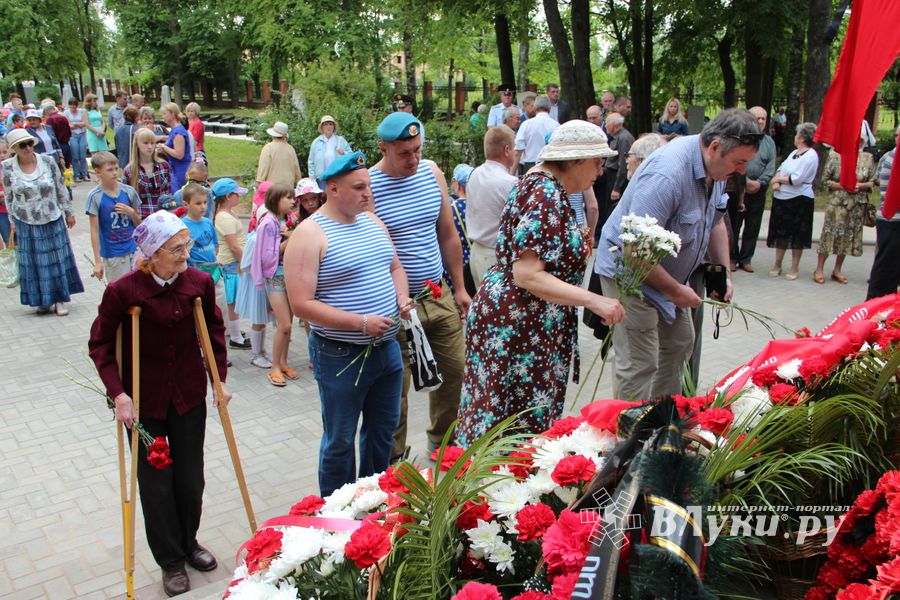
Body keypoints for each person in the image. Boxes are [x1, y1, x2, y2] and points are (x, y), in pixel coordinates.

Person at [88, 210, 229, 597]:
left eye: (187, 246)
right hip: (143, 404)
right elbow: (100, 344)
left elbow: (214, 330)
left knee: (190, 478)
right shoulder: (124, 292)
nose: (187, 255)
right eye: (176, 249)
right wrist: (117, 393)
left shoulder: (198, 284)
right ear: (151, 255)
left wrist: (219, 378)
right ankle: (170, 560)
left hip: (187, 397)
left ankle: (189, 543)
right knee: (156, 486)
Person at [456, 121, 624, 446]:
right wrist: (593, 300)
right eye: (597, 162)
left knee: (510, 425)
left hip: (522, 323)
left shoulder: (544, 186)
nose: (601, 171)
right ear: (575, 160)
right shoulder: (545, 192)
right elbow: (527, 273)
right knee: (513, 432)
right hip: (517, 328)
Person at [595, 108, 760, 400]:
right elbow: (634, 250)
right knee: (640, 361)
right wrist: (675, 291)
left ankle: (661, 424)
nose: (743, 170)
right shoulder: (667, 174)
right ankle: (627, 438)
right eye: (740, 162)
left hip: (666, 278)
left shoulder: (718, 168)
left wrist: (724, 272)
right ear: (715, 147)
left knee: (680, 341)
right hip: (631, 275)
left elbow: (717, 220)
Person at [284, 151, 410, 496]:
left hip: (386, 348)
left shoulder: (373, 222)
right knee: (340, 440)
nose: (368, 193)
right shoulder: (309, 235)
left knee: (382, 431)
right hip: (340, 355)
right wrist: (360, 322)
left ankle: (373, 504)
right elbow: (301, 304)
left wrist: (401, 299)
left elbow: (395, 268)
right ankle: (336, 516)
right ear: (333, 189)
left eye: (368, 185)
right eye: (358, 187)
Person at [369, 111, 470, 458]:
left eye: (417, 149)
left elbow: (448, 233)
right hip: (394, 304)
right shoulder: (368, 186)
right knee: (396, 387)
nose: (413, 159)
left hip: (438, 294)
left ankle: (443, 442)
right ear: (383, 148)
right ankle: (394, 458)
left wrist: (460, 287)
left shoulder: (431, 172)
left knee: (456, 369)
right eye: (404, 153)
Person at [1, 128, 83, 315]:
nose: (28, 148)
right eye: (23, 145)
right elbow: (8, 195)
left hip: (52, 216)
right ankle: (43, 300)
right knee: (35, 262)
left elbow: (60, 186)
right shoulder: (7, 166)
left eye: (30, 143)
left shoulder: (47, 161)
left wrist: (69, 211)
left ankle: (60, 299)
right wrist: (12, 220)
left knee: (56, 259)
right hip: (25, 220)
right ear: (14, 148)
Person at [814, 131, 878, 285]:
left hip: (856, 204)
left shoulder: (867, 158)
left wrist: (860, 185)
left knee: (847, 237)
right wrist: (843, 185)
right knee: (830, 234)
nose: (857, 144)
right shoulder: (836, 156)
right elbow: (825, 181)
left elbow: (872, 181)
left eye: (859, 141)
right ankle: (819, 269)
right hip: (837, 203)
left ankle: (837, 269)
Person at [252, 184, 300, 387]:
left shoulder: (280, 221)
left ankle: (283, 362)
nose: (292, 201)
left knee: (287, 323)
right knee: (285, 324)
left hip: (287, 276)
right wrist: (293, 237)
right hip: (275, 278)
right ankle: (274, 368)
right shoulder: (269, 223)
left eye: (292, 197)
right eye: (288, 197)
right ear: (276, 199)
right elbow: (269, 255)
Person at [767, 122, 819, 280]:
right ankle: (777, 264)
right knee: (780, 232)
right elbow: (782, 167)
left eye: (797, 134)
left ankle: (794, 267)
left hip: (800, 199)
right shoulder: (794, 153)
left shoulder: (811, 155)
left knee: (797, 235)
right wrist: (777, 179)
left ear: (802, 137)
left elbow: (796, 179)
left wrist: (778, 179)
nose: (795, 137)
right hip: (782, 197)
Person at [466, 125, 518, 283]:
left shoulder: (474, 174)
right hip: (496, 256)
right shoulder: (510, 183)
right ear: (507, 149)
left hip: (476, 252)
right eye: (515, 148)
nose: (516, 153)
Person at [728, 106, 775, 273]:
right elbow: (736, 161)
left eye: (763, 118)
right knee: (734, 224)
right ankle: (732, 257)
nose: (761, 121)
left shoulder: (769, 142)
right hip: (739, 187)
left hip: (759, 191)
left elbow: (771, 166)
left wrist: (760, 182)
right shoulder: (741, 139)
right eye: (758, 118)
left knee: (753, 225)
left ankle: (746, 258)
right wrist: (746, 181)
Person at [85, 151, 142, 284]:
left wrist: (131, 212)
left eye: (116, 169)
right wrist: (97, 261)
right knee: (121, 291)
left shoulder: (129, 192)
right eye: (110, 170)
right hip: (113, 254)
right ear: (98, 172)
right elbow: (94, 230)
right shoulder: (95, 197)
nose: (115, 173)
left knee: (139, 288)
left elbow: (140, 225)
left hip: (134, 249)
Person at [212, 178, 251, 348]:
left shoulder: (228, 214)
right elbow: (234, 246)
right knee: (233, 303)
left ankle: (234, 331)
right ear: (228, 196)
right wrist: (245, 264)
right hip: (231, 265)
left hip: (233, 264)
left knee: (234, 302)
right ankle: (236, 337)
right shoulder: (225, 218)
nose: (239, 197)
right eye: (237, 194)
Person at [236, 203, 274, 368]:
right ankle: (255, 354)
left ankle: (261, 350)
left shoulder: (272, 237)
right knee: (258, 319)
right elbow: (245, 264)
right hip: (256, 284)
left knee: (263, 319)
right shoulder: (254, 239)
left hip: (266, 283)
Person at [866, 126, 900, 300]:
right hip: (893, 220)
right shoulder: (894, 157)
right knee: (886, 269)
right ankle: (875, 305)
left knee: (891, 269)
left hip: (892, 220)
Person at [124, 128, 172, 218]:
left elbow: (168, 194)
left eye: (152, 143)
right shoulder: (130, 170)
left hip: (163, 217)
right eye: (145, 143)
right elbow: (128, 201)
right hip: (141, 218)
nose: (150, 147)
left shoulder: (164, 166)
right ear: (137, 145)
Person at [511, 95, 559, 175]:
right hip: (551, 167)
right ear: (550, 108)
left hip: (530, 168)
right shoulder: (556, 126)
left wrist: (511, 174)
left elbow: (517, 152)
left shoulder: (526, 125)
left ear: (535, 108)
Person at [448, 163, 477, 297]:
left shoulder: (451, 209)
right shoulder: (480, 205)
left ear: (457, 184)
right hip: (477, 260)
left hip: (460, 263)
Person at [157, 103, 193, 193]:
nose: (163, 116)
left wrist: (164, 147)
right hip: (175, 168)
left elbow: (179, 154)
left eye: (164, 114)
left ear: (172, 114)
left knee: (180, 195)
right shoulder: (174, 130)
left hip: (181, 170)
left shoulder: (178, 132)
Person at [255, 121, 302, 188]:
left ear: (272, 135)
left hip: (272, 188)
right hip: (288, 187)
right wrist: (298, 181)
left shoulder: (268, 148)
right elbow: (296, 168)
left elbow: (264, 167)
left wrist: (259, 181)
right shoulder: (290, 148)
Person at [308, 115, 351, 186]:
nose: (328, 126)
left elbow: (351, 156)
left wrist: (344, 152)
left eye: (330, 124)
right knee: (323, 197)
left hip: (338, 177)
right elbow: (311, 162)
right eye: (325, 124)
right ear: (322, 127)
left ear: (334, 127)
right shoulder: (316, 142)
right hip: (321, 179)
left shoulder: (340, 140)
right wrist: (312, 180)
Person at [605, 112, 634, 203]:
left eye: (607, 123)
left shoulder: (624, 138)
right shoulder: (617, 136)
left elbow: (623, 164)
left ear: (615, 124)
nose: (605, 126)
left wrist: (617, 188)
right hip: (610, 177)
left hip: (616, 179)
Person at [64, 98, 89, 182]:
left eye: (74, 105)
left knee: (82, 156)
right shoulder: (66, 113)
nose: (73, 107)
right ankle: (76, 175)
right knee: (75, 157)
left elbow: (85, 123)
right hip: (72, 135)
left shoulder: (82, 111)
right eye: (71, 106)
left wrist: (75, 124)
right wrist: (78, 124)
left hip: (82, 134)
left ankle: (85, 174)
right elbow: (68, 125)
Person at [43, 102, 73, 170]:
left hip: (58, 145)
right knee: (67, 165)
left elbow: (50, 134)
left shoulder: (50, 119)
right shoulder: (63, 117)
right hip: (66, 144)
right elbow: (69, 131)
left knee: (59, 166)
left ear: (48, 110)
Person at [0, 140, 10, 245]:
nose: (2, 155)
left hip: (14, 210)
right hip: (2, 212)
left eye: (4, 152)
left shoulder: (13, 167)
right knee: (8, 239)